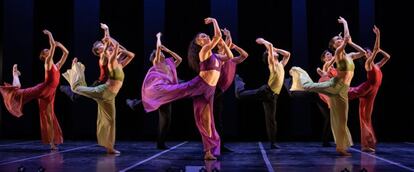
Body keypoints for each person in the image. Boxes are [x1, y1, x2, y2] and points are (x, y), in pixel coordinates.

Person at [142, 17, 233, 160]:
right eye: (202, 36)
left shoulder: (215, 55)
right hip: (199, 85)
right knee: (177, 90)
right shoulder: (204, 52)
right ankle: (151, 96)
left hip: (210, 90)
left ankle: (208, 152)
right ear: (199, 43)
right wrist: (214, 21)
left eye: (205, 35)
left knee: (206, 121)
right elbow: (217, 36)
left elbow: (230, 55)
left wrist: (223, 42)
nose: (206, 36)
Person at [289, 17, 366, 156]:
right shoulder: (338, 53)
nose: (340, 40)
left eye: (339, 38)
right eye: (337, 40)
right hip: (335, 84)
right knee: (309, 86)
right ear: (334, 45)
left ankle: (340, 147)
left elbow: (363, 53)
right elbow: (347, 36)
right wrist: (345, 23)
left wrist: (351, 42)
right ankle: (297, 71)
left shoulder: (349, 55)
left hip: (343, 90)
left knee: (342, 119)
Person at [63, 26, 135, 154]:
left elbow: (130, 54)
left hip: (111, 96)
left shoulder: (119, 63)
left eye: (104, 46)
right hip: (103, 89)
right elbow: (114, 46)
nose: (105, 47)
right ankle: (72, 85)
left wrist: (108, 39)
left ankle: (109, 147)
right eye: (101, 47)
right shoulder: (108, 60)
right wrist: (107, 32)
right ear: (99, 51)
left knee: (110, 120)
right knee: (77, 88)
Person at [0, 30, 68, 150]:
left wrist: (60, 45)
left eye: (48, 50)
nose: (48, 50)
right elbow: (52, 45)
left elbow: (66, 53)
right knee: (19, 93)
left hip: (51, 94)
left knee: (50, 117)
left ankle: (52, 143)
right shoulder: (47, 62)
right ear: (44, 56)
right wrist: (50, 34)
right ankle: (15, 75)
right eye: (46, 51)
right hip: (42, 89)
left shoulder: (56, 66)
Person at [128, 32, 183, 149]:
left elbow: (179, 59)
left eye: (163, 53)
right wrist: (158, 38)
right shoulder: (157, 63)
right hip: (159, 90)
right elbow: (158, 48)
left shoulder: (169, 65)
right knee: (162, 113)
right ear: (155, 57)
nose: (162, 53)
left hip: (167, 94)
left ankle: (160, 142)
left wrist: (168, 50)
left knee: (166, 120)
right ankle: (136, 103)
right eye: (160, 53)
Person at [235, 38, 290, 149]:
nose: (274, 52)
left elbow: (287, 54)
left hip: (273, 96)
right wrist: (264, 41)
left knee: (271, 120)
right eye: (272, 52)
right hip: (266, 92)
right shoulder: (273, 64)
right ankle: (238, 82)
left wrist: (276, 49)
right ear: (269, 56)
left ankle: (273, 143)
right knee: (240, 95)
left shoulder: (280, 65)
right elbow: (269, 45)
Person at [348, 26, 390, 152]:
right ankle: (337, 90)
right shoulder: (368, 64)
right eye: (366, 53)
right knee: (351, 94)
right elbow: (376, 49)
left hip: (373, 92)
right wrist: (378, 35)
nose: (368, 53)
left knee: (366, 117)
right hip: (365, 89)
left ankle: (367, 144)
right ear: (365, 56)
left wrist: (379, 50)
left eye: (369, 51)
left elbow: (387, 57)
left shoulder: (376, 65)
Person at [214, 28, 248, 152]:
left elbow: (244, 55)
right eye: (221, 46)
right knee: (215, 120)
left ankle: (219, 145)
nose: (224, 46)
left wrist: (234, 45)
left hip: (220, 91)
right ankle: (216, 146)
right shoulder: (218, 58)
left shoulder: (231, 60)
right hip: (214, 90)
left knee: (219, 120)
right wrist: (227, 39)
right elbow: (225, 47)